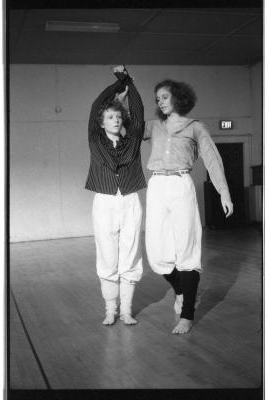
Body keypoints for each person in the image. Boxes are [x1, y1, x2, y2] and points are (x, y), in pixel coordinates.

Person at [144, 79, 233, 334]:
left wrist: (223, 194)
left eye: (164, 96)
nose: (159, 101)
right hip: (157, 186)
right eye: (157, 98)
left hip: (181, 185)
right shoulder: (154, 127)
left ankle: (187, 314)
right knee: (157, 254)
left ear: (179, 98)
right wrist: (124, 92)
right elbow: (128, 126)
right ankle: (183, 290)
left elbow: (213, 160)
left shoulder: (196, 128)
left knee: (187, 248)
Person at [85, 65, 146, 326]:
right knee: (107, 255)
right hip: (104, 201)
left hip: (130, 200)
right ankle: (110, 309)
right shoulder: (95, 140)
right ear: (101, 122)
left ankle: (127, 310)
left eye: (118, 117)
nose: (116, 120)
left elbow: (139, 113)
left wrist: (130, 84)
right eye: (110, 117)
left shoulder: (132, 140)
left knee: (131, 254)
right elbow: (97, 105)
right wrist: (118, 81)